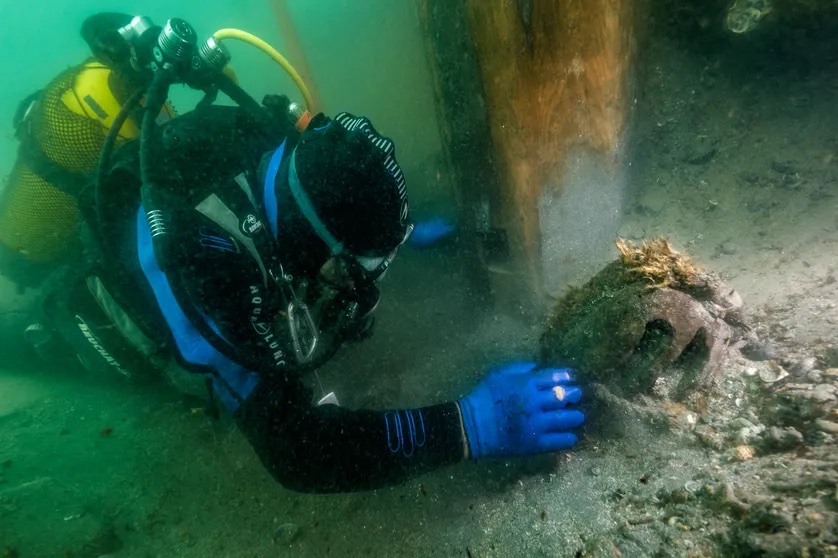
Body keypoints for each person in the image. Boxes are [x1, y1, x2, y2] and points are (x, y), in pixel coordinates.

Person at [19, 12, 587, 493]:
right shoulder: (200, 266)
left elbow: (332, 198)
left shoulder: (271, 141)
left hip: (215, 227)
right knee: (45, 343)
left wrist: (399, 232)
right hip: (108, 324)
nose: (362, 293)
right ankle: (32, 332)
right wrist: (469, 425)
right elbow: (298, 452)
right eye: (352, 271)